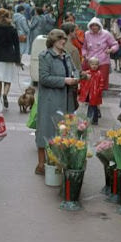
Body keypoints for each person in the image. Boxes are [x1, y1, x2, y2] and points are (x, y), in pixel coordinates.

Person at [35, 29, 79, 175]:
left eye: (64, 39)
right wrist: (64, 81)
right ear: (53, 41)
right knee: (46, 130)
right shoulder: (45, 56)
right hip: (50, 99)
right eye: (60, 39)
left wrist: (81, 76)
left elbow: (74, 70)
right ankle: (41, 164)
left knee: (63, 131)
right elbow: (44, 78)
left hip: (66, 98)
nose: (63, 42)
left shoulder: (66, 56)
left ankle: (57, 162)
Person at [82, 17, 118, 91]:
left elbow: (115, 44)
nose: (94, 27)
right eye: (92, 25)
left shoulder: (106, 34)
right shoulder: (87, 34)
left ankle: (99, 96)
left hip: (103, 61)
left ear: (99, 26)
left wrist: (111, 50)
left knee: (101, 81)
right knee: (88, 80)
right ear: (90, 26)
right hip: (90, 61)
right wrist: (85, 55)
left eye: (96, 25)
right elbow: (84, 47)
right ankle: (89, 95)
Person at [78, 57, 104, 125]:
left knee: (94, 106)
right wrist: (81, 89)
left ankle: (94, 119)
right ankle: (90, 118)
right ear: (89, 64)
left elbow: (101, 83)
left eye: (96, 64)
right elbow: (82, 82)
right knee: (90, 105)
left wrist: (99, 91)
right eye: (92, 64)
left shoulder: (99, 73)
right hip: (88, 92)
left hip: (95, 93)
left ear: (98, 65)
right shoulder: (87, 72)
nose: (94, 66)